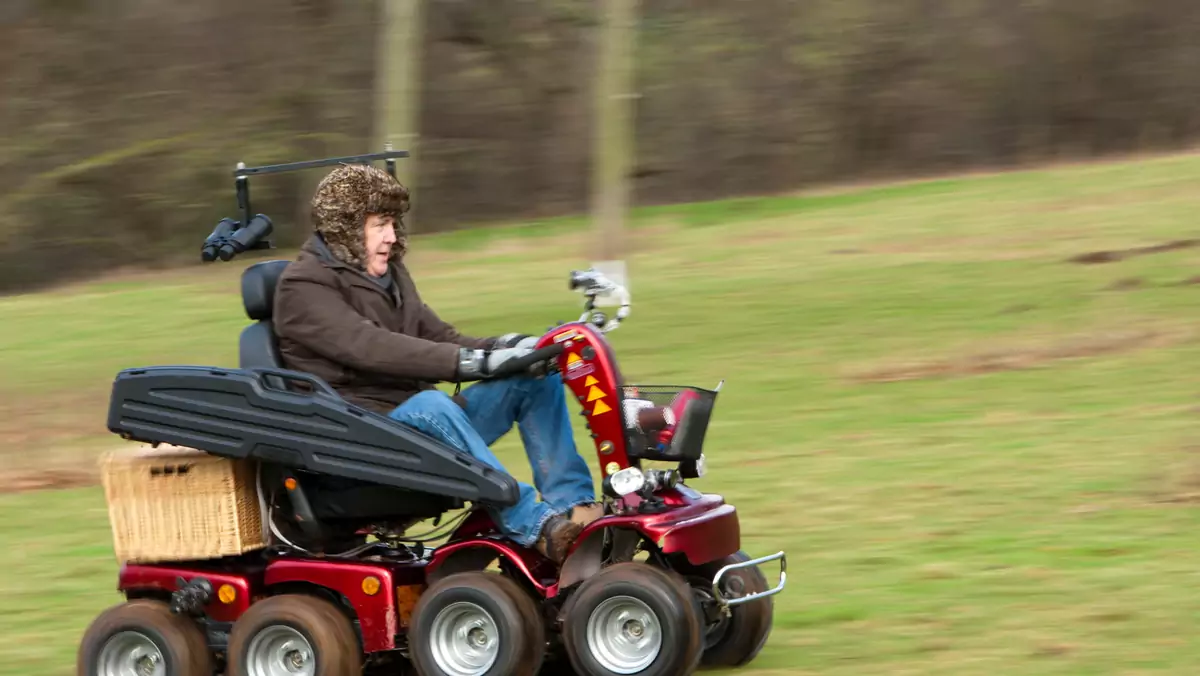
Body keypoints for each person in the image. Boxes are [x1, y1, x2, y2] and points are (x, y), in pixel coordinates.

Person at [272, 163, 600, 563]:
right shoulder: (302, 288)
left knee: (534, 378)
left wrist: (512, 347)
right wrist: (473, 363)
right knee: (432, 406)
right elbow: (373, 347)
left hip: (416, 432)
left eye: (393, 223)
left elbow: (440, 337)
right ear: (344, 225)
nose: (391, 237)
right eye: (379, 224)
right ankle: (536, 525)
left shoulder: (389, 276)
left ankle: (575, 510)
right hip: (360, 443)